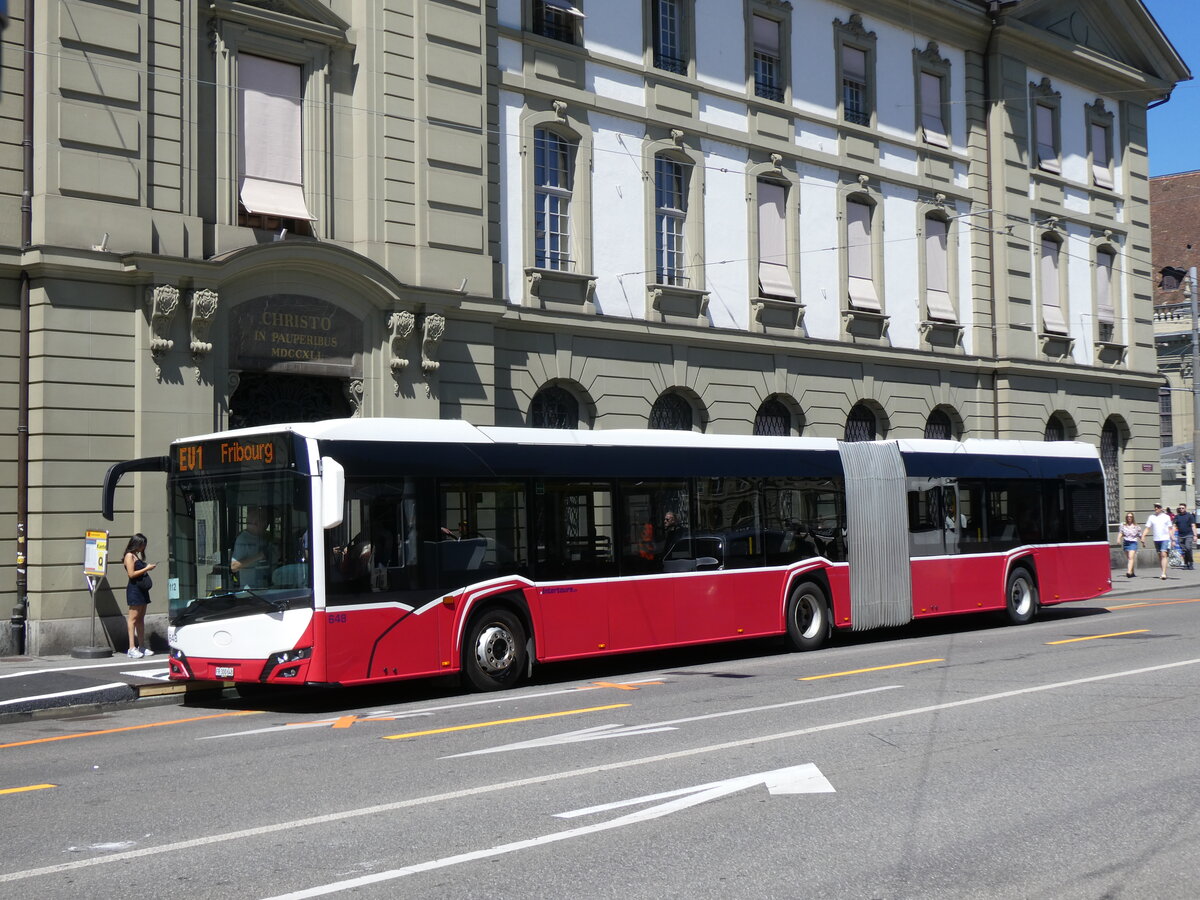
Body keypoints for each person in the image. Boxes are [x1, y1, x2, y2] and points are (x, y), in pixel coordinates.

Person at [122, 533, 157, 658]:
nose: (144, 547)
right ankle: (131, 648)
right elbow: (131, 574)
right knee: (133, 619)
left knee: (140, 618)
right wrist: (146, 568)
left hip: (142, 590)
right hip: (134, 590)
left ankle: (141, 647)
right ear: (137, 544)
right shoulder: (129, 556)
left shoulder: (136, 556)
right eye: (143, 544)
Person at [231, 507, 275, 589]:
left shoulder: (264, 536)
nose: (266, 527)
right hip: (250, 592)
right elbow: (234, 567)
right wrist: (259, 556)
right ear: (256, 523)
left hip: (266, 587)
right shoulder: (243, 539)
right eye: (264, 524)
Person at [1142, 503, 1174, 581]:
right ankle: (1164, 571)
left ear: (1161, 508)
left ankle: (1163, 573)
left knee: (1163, 554)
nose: (1156, 508)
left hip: (1165, 538)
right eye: (1155, 507)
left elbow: (1170, 529)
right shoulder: (1151, 517)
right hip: (1156, 539)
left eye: (1158, 507)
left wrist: (1173, 539)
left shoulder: (1166, 517)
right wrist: (1143, 536)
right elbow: (1147, 528)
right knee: (1160, 555)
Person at [1173, 503, 1198, 570]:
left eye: (1182, 508)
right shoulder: (1177, 517)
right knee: (1184, 550)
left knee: (1188, 547)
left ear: (1185, 508)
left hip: (1189, 535)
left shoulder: (1190, 516)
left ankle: (1191, 563)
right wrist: (1172, 537)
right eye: (1180, 508)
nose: (1181, 509)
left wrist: (1195, 535)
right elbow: (1174, 526)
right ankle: (1186, 563)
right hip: (1180, 536)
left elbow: (1193, 525)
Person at [1119, 512, 1142, 578]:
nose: (1129, 518)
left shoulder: (1136, 526)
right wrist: (1118, 539)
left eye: (1131, 517)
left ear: (1133, 518)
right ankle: (1132, 573)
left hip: (1133, 542)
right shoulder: (1123, 525)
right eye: (1128, 516)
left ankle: (1129, 572)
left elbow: (1140, 535)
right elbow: (1121, 533)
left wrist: (1142, 541)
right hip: (1126, 542)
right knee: (1129, 558)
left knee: (1131, 557)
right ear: (1126, 518)